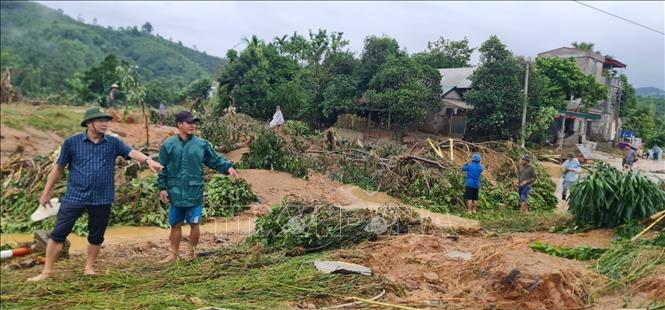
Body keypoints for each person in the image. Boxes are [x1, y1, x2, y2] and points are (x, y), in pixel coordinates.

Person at [28, 107, 164, 282]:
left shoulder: (113, 142)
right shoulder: (72, 143)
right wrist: (45, 193)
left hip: (102, 198)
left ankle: (89, 268)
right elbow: (58, 169)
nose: (105, 123)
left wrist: (148, 160)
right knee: (58, 233)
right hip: (75, 197)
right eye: (100, 120)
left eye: (106, 120)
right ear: (89, 123)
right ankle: (46, 272)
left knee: (96, 235)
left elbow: (131, 152)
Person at [158, 111, 240, 262]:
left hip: (194, 190)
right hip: (174, 190)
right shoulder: (168, 144)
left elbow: (215, 160)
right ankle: (173, 254)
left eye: (194, 123)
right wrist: (162, 187)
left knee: (194, 223)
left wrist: (228, 167)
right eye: (189, 122)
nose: (193, 125)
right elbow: (162, 167)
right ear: (179, 124)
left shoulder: (201, 144)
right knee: (175, 223)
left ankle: (191, 253)